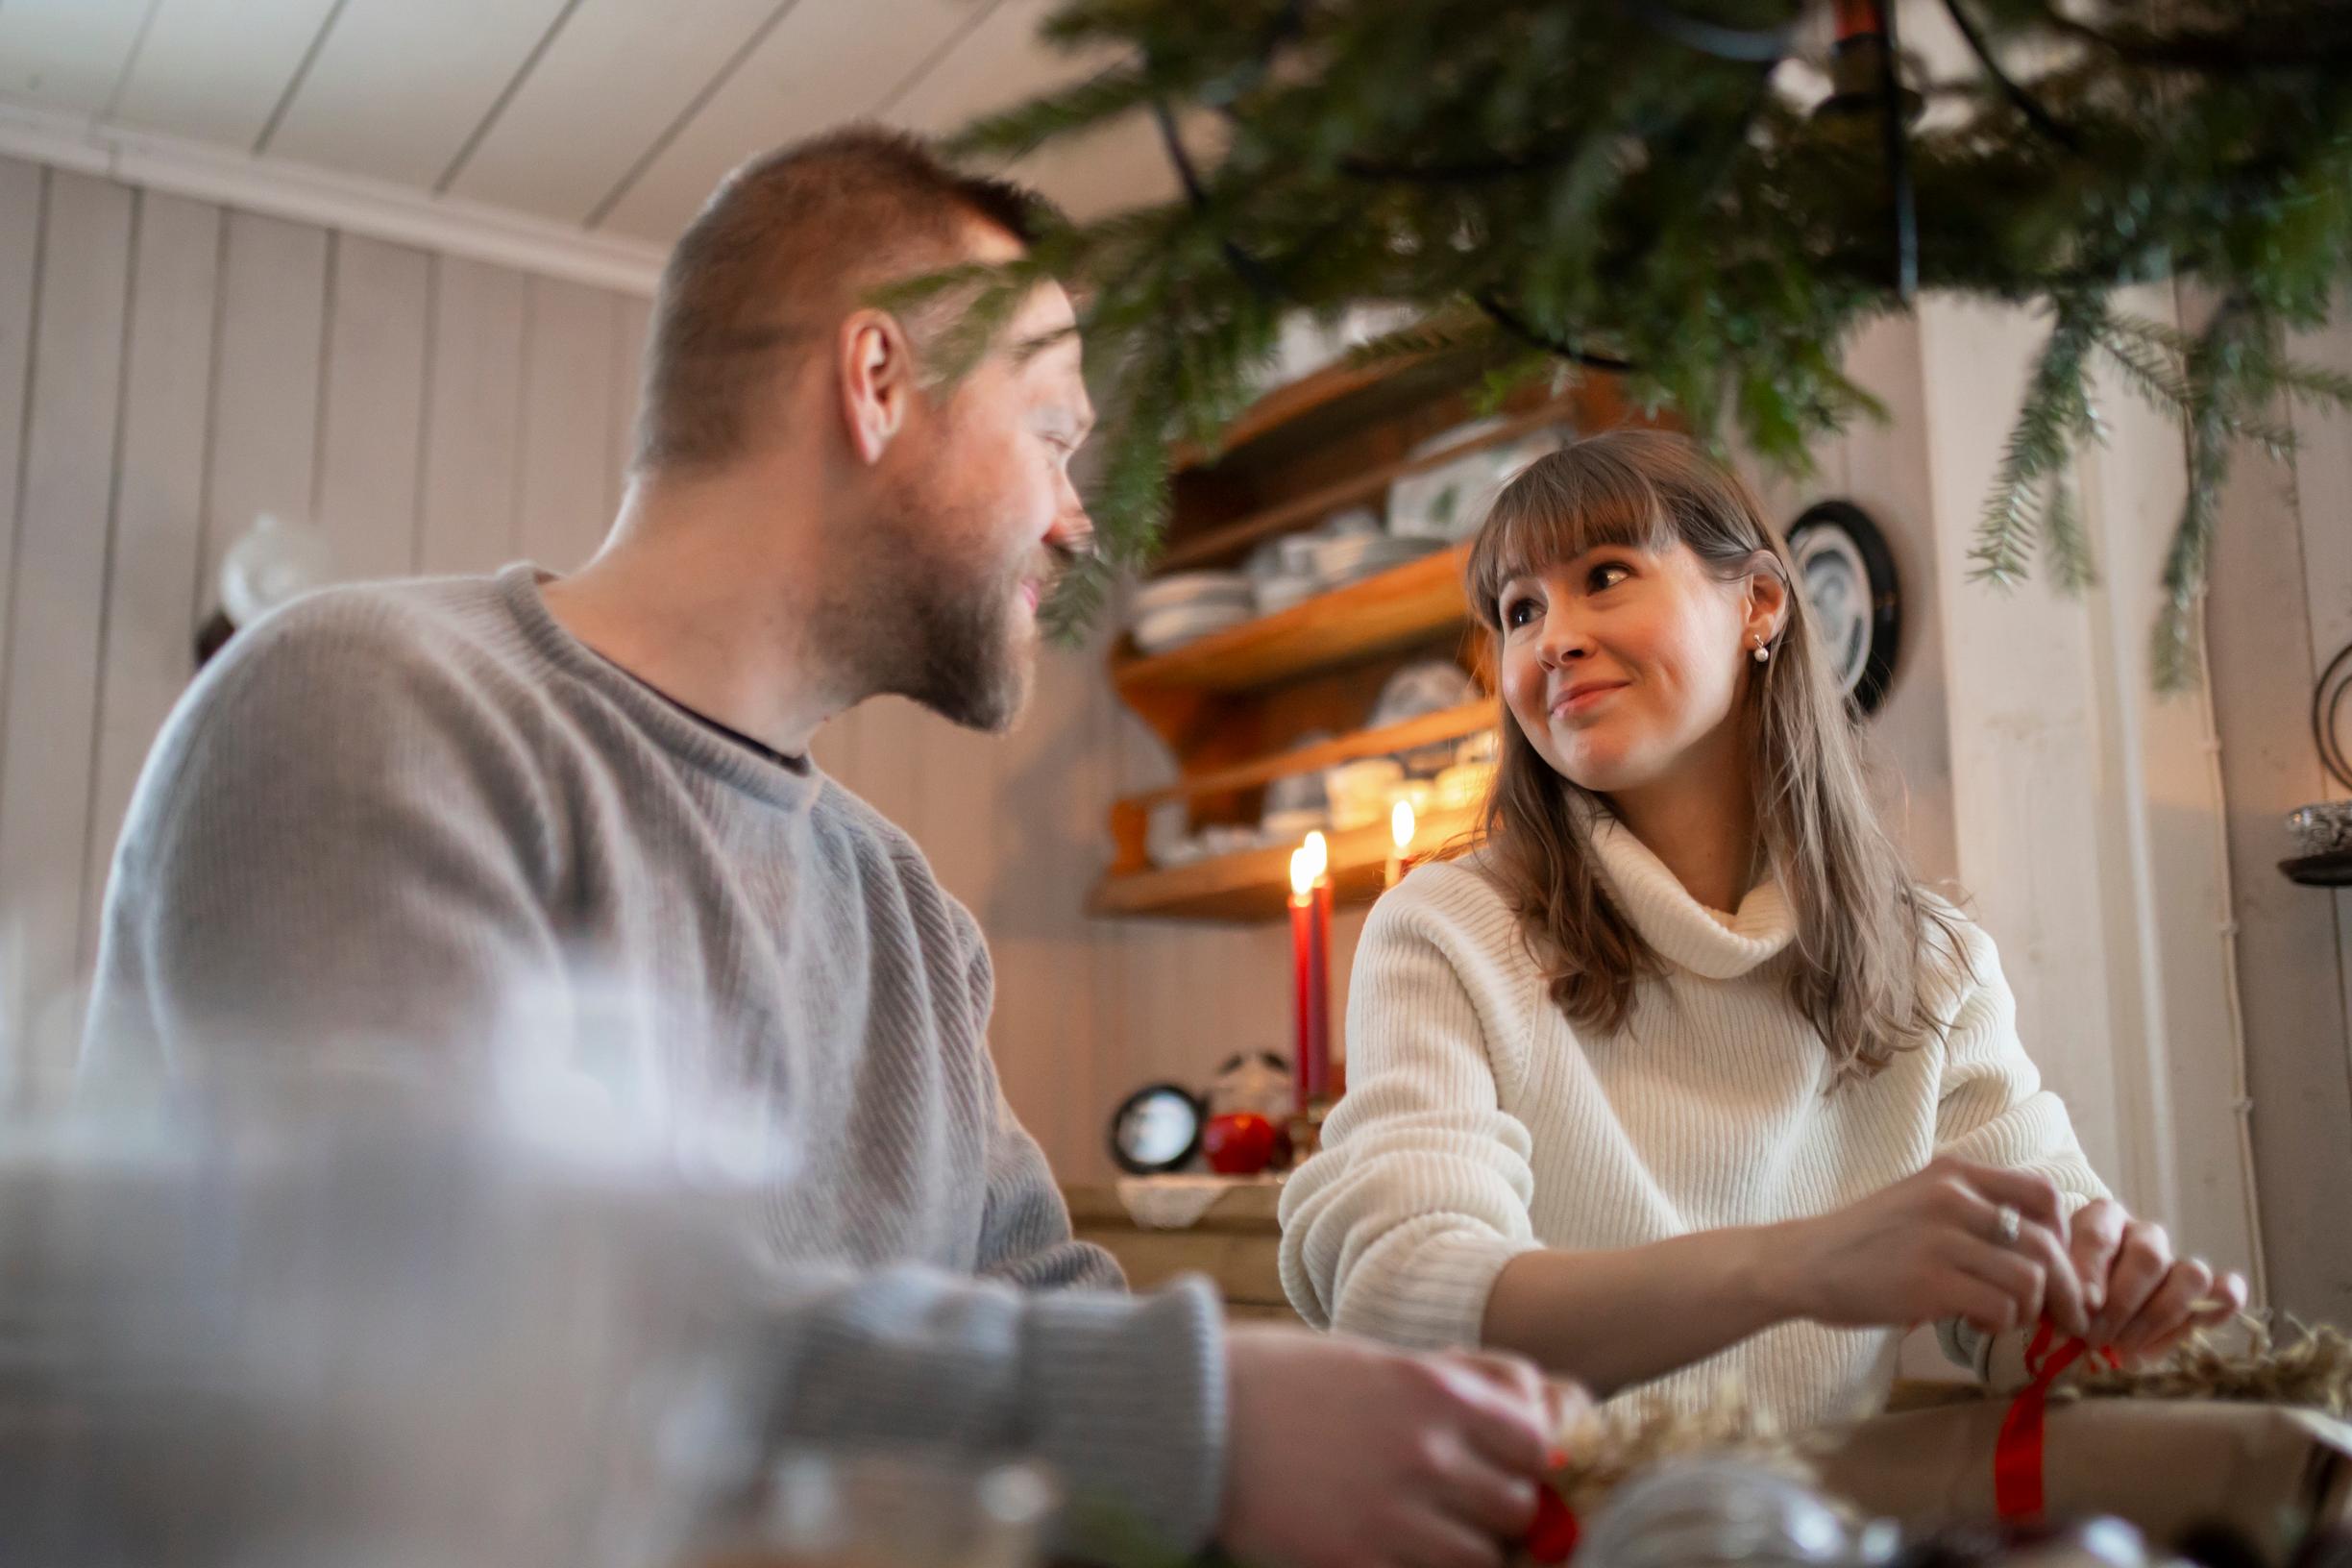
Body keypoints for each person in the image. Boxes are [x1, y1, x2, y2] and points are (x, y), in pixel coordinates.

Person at [84, 128, 1577, 1568]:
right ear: (877, 383)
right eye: (1055, 437)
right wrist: (1194, 1417)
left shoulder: (908, 911)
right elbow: (457, 1318)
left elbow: (1046, 1304)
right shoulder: (361, 699)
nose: (1080, 525)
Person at [1278, 429, 2246, 1428]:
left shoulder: (1930, 962)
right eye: (1519, 610)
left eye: (1605, 577)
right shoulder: (1446, 931)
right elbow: (1405, 1293)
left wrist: (2108, 1314)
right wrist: (1800, 1268)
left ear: (1760, 604)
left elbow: (2030, 1295)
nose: (1551, 638)